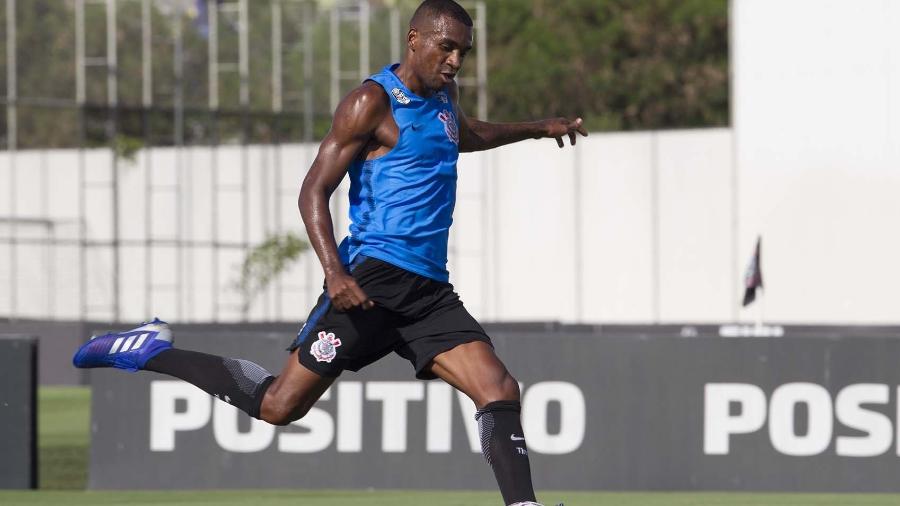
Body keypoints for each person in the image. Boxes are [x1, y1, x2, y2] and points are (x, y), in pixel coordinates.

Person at [73, 1, 586, 504]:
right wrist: (335, 273)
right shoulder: (370, 103)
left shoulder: (445, 97)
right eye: (446, 47)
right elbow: (312, 191)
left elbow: (465, 135)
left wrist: (539, 129)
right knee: (278, 406)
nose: (455, 61)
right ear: (415, 39)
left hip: (428, 291)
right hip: (370, 283)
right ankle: (150, 350)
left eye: (463, 53)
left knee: (498, 386)